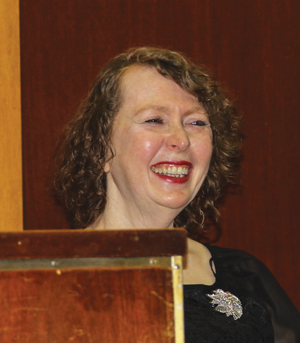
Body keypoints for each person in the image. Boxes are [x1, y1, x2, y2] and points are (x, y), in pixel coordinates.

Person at [54, 47, 300, 342]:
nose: (180, 139)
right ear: (101, 148)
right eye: (155, 120)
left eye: (196, 123)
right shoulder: (46, 280)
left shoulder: (247, 277)